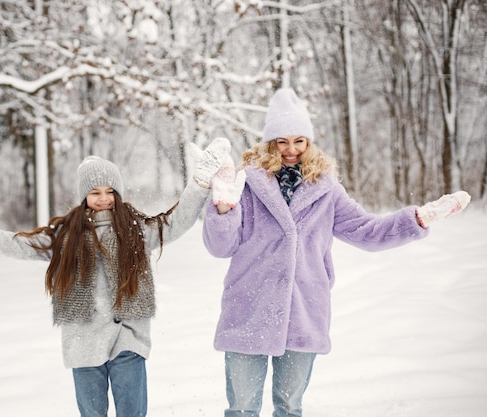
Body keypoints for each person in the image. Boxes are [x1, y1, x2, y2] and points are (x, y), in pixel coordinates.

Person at [202, 88, 471, 417]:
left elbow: (366, 231)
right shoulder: (245, 185)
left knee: (289, 408)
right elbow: (220, 247)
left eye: (299, 141)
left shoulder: (326, 191)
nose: (291, 150)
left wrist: (417, 219)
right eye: (282, 141)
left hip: (303, 310)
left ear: (309, 142)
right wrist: (223, 209)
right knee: (242, 409)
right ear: (269, 142)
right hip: (249, 307)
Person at [0, 138, 231, 417]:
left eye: (110, 192)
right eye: (95, 193)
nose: (104, 199)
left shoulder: (135, 230)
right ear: (84, 196)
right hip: (83, 342)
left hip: (129, 339)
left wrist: (200, 182)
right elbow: (17, 244)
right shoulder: (65, 236)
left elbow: (176, 221)